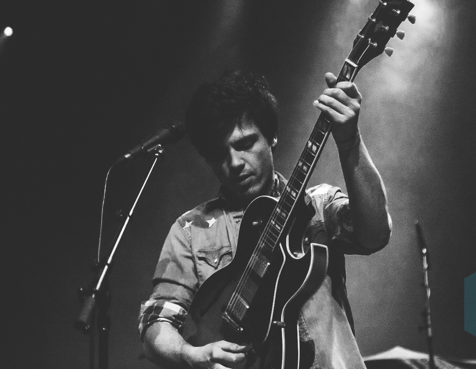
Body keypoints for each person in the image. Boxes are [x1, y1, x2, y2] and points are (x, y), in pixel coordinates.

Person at [138, 69, 392, 369]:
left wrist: (350, 142)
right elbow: (157, 321)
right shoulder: (190, 230)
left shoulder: (318, 204)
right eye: (219, 153)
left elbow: (375, 235)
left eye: (245, 144)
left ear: (271, 136)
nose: (234, 163)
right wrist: (193, 355)